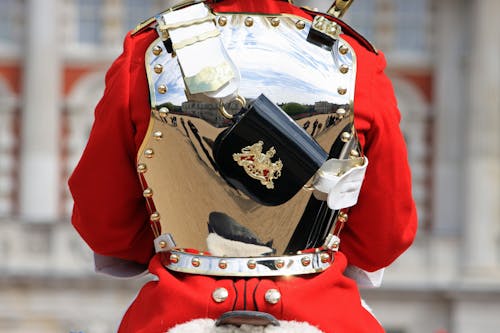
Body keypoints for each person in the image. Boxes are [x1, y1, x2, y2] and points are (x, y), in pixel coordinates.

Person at [69, 0, 417, 332]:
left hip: (175, 310)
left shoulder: (148, 51)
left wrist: (177, 241)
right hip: (319, 308)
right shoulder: (355, 60)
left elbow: (105, 224)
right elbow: (385, 234)